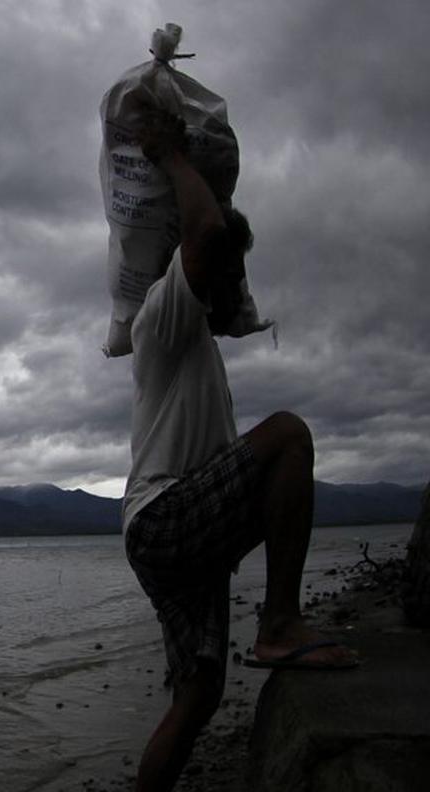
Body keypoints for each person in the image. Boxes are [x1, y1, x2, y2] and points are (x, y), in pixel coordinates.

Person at [122, 108, 359, 792]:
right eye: (228, 276)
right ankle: (279, 622)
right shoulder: (164, 317)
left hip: (179, 535)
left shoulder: (202, 357)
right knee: (288, 436)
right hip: (165, 520)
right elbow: (203, 233)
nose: (236, 290)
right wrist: (170, 157)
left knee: (197, 700)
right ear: (200, 277)